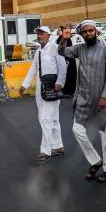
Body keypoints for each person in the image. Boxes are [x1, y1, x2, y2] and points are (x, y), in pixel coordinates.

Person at [58, 20, 106, 181]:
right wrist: (64, 38)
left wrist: (105, 96)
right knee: (77, 130)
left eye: (91, 30)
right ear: (82, 34)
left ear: (96, 31)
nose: (88, 33)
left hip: (101, 100)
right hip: (83, 98)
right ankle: (95, 161)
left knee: (105, 137)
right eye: (85, 31)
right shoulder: (80, 49)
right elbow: (62, 52)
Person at [20, 25, 67, 164]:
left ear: (48, 35)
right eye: (38, 33)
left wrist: (60, 83)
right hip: (41, 87)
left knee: (44, 118)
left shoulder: (55, 48)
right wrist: (25, 84)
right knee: (53, 119)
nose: (39, 36)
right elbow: (33, 69)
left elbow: (62, 67)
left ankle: (45, 150)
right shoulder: (39, 51)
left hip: (53, 87)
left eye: (41, 33)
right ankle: (58, 146)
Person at [57, 24, 78, 97]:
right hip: (63, 60)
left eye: (60, 30)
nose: (58, 31)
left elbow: (67, 50)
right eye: (58, 30)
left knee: (69, 77)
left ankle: (69, 92)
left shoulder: (66, 39)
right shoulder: (60, 38)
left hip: (69, 61)